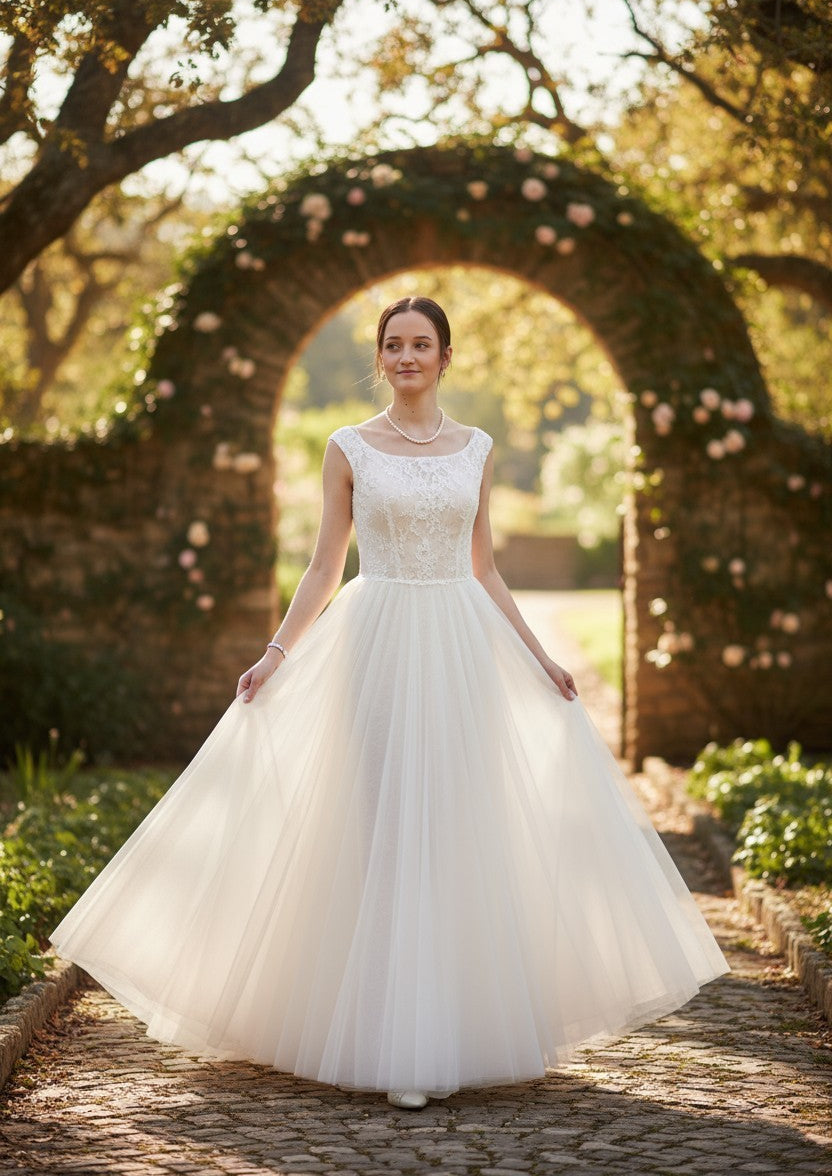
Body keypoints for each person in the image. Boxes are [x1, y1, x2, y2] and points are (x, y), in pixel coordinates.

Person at [49, 295, 730, 1112]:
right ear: (381, 359)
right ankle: (381, 1035)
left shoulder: (475, 448)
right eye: (394, 345)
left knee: (451, 826)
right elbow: (323, 565)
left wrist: (538, 655)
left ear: (446, 356)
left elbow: (483, 568)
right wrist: (274, 655)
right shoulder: (349, 447)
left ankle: (448, 1025)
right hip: (372, 648)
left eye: (421, 344)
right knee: (380, 827)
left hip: (460, 647)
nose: (406, 357)